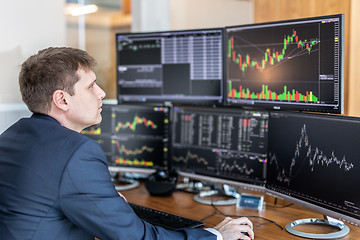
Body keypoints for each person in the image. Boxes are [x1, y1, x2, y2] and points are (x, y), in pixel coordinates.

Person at [0, 47, 254, 240]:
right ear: (62, 100)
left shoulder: (10, 138)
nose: (101, 93)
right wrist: (216, 235)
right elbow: (135, 237)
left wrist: (107, 205)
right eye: (91, 86)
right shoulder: (77, 153)